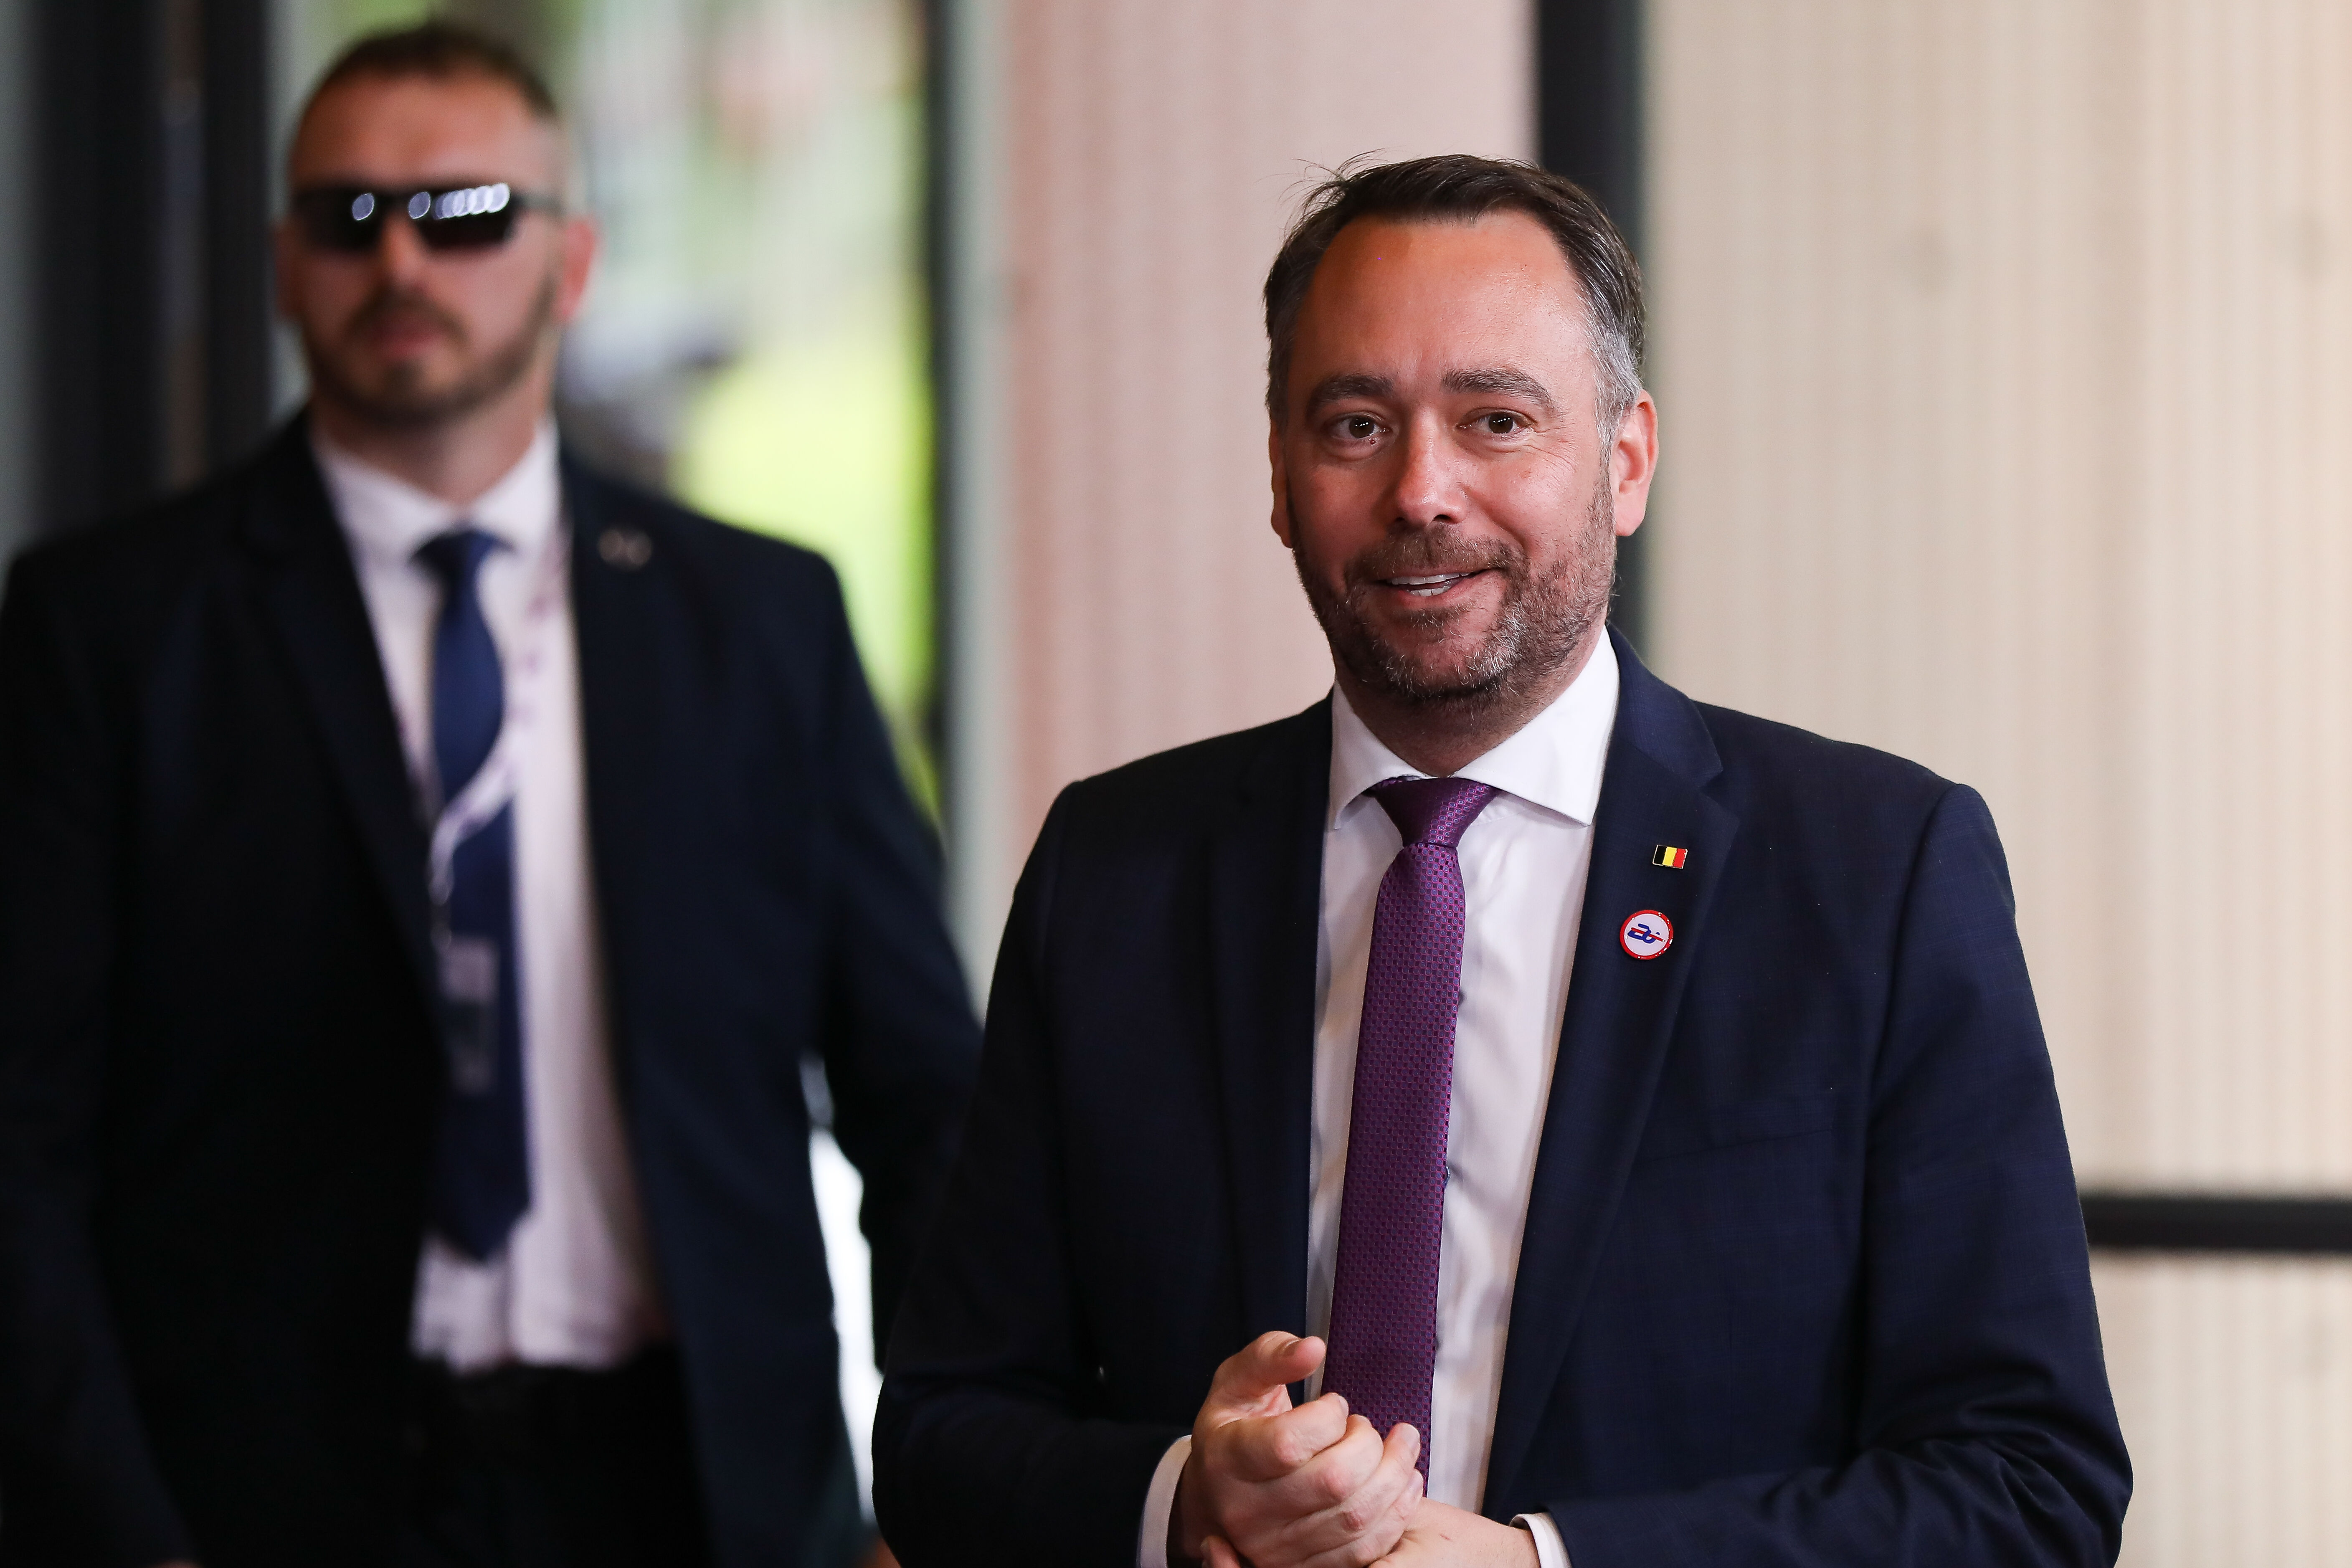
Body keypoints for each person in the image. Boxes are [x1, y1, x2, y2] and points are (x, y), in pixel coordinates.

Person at [873, 155, 2129, 1568]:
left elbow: (2028, 1485)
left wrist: (1542, 1564)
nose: (1422, 490)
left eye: (1497, 420)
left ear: (1627, 461)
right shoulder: (1116, 873)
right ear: (1280, 475)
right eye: (1356, 424)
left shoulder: (1875, 874)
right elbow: (940, 1436)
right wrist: (1181, 1498)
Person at [0, 20, 978, 1568]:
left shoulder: (757, 625)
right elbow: (20, 1140)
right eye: (348, 217)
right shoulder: (112, 629)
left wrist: (946, 1495)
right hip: (264, 1505)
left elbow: (926, 1104)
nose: (401, 260)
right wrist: (121, 1534)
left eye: (462, 215)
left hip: (704, 1496)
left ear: (571, 263)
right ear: (284, 264)